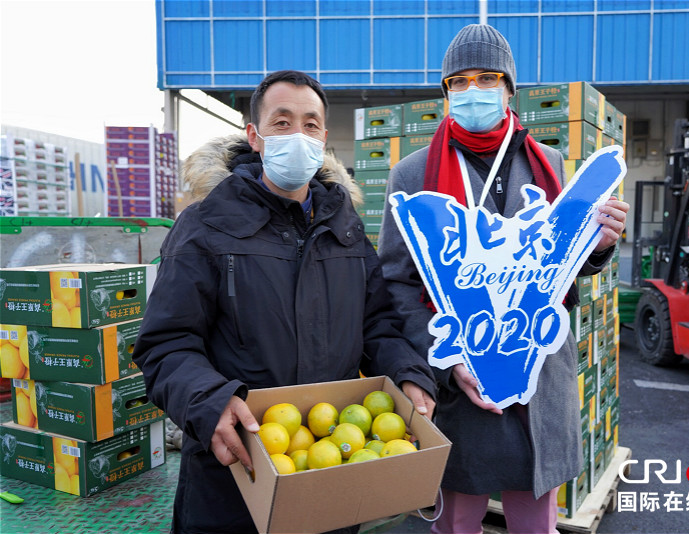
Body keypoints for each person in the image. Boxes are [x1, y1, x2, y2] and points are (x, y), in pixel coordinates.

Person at [132, 70, 437, 534]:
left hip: (329, 469)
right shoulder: (205, 227)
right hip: (234, 470)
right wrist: (211, 402)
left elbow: (378, 327)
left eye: (310, 124)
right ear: (254, 137)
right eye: (282, 122)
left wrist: (410, 376)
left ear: (324, 139)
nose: (298, 135)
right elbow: (166, 343)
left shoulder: (346, 229)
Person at [377, 25, 629, 534]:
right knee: (456, 524)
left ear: (510, 87)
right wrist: (449, 365)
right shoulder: (412, 174)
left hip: (538, 370)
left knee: (536, 523)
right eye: (459, 82)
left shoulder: (549, 163)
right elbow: (397, 283)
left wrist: (597, 246)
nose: (473, 91)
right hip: (461, 378)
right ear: (445, 92)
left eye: (487, 78)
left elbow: (560, 263)